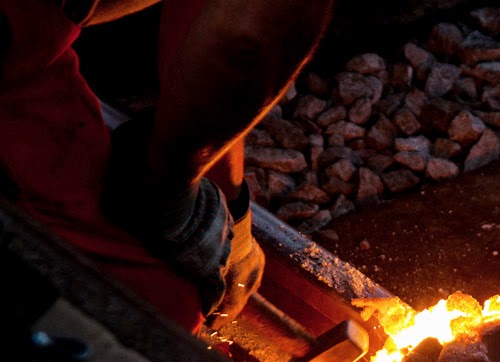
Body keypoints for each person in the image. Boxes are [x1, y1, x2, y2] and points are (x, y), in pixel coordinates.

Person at [0, 0, 334, 332]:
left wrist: (229, 205)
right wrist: (170, 192)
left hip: (29, 44)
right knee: (160, 311)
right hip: (14, 58)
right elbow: (247, 40)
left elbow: (221, 20)